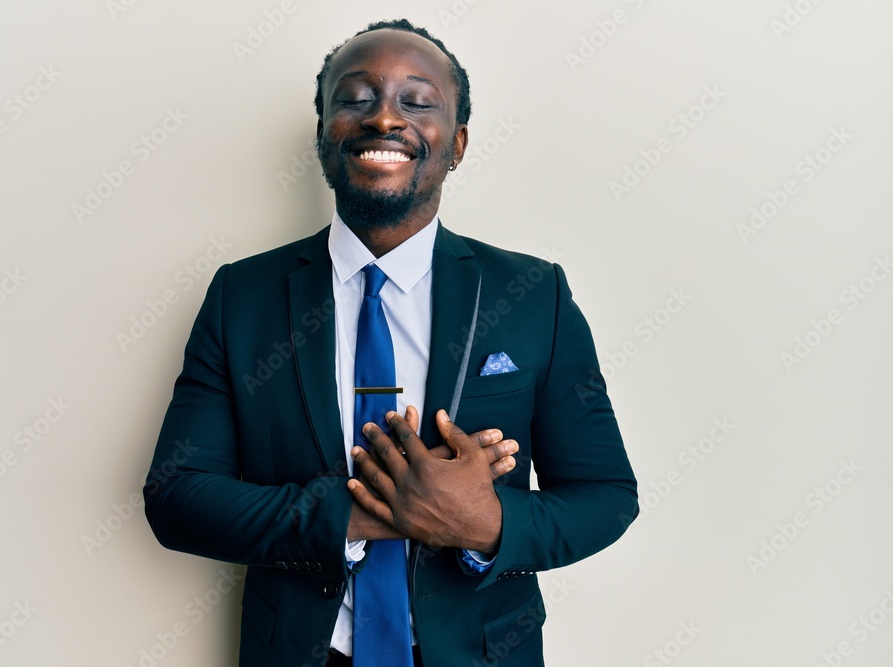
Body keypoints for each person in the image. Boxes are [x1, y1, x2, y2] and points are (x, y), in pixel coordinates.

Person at [144, 18, 637, 667]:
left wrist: (483, 521)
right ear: (325, 138)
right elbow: (176, 495)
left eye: (418, 100)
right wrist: (352, 513)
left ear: (456, 143)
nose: (384, 118)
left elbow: (605, 494)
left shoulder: (533, 294)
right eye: (355, 98)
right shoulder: (244, 295)